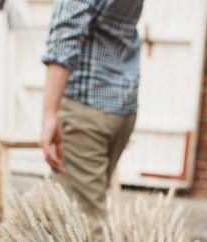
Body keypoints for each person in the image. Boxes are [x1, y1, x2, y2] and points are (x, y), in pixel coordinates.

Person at [41, 0, 144, 228]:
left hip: (85, 106)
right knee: (83, 217)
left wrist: (50, 112)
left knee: (79, 227)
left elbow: (67, 28)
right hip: (121, 106)